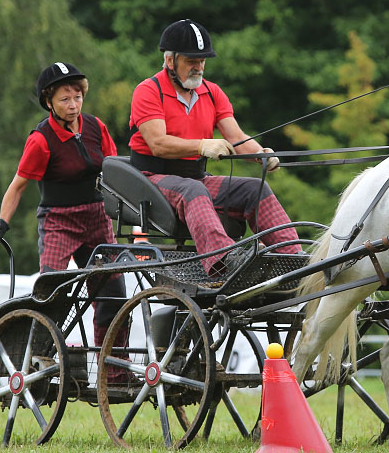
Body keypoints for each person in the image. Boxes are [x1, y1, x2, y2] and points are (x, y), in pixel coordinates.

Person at [0, 62, 128, 374]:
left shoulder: (95, 128)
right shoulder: (41, 139)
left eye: (77, 96)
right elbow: (18, 186)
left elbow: (117, 173)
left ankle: (113, 370)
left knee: (114, 294)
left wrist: (133, 215)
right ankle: (38, 358)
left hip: (97, 218)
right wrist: (1, 224)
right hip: (59, 221)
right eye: (65, 99)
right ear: (49, 102)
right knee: (51, 291)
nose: (73, 104)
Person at [127, 18, 301, 275]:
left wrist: (261, 154)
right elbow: (158, 144)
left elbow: (237, 137)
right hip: (152, 179)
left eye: (202, 61)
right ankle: (226, 262)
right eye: (191, 61)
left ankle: (295, 259)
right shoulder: (148, 91)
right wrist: (201, 146)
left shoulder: (213, 92)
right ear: (170, 61)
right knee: (194, 190)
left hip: (193, 176)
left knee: (256, 188)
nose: (198, 68)